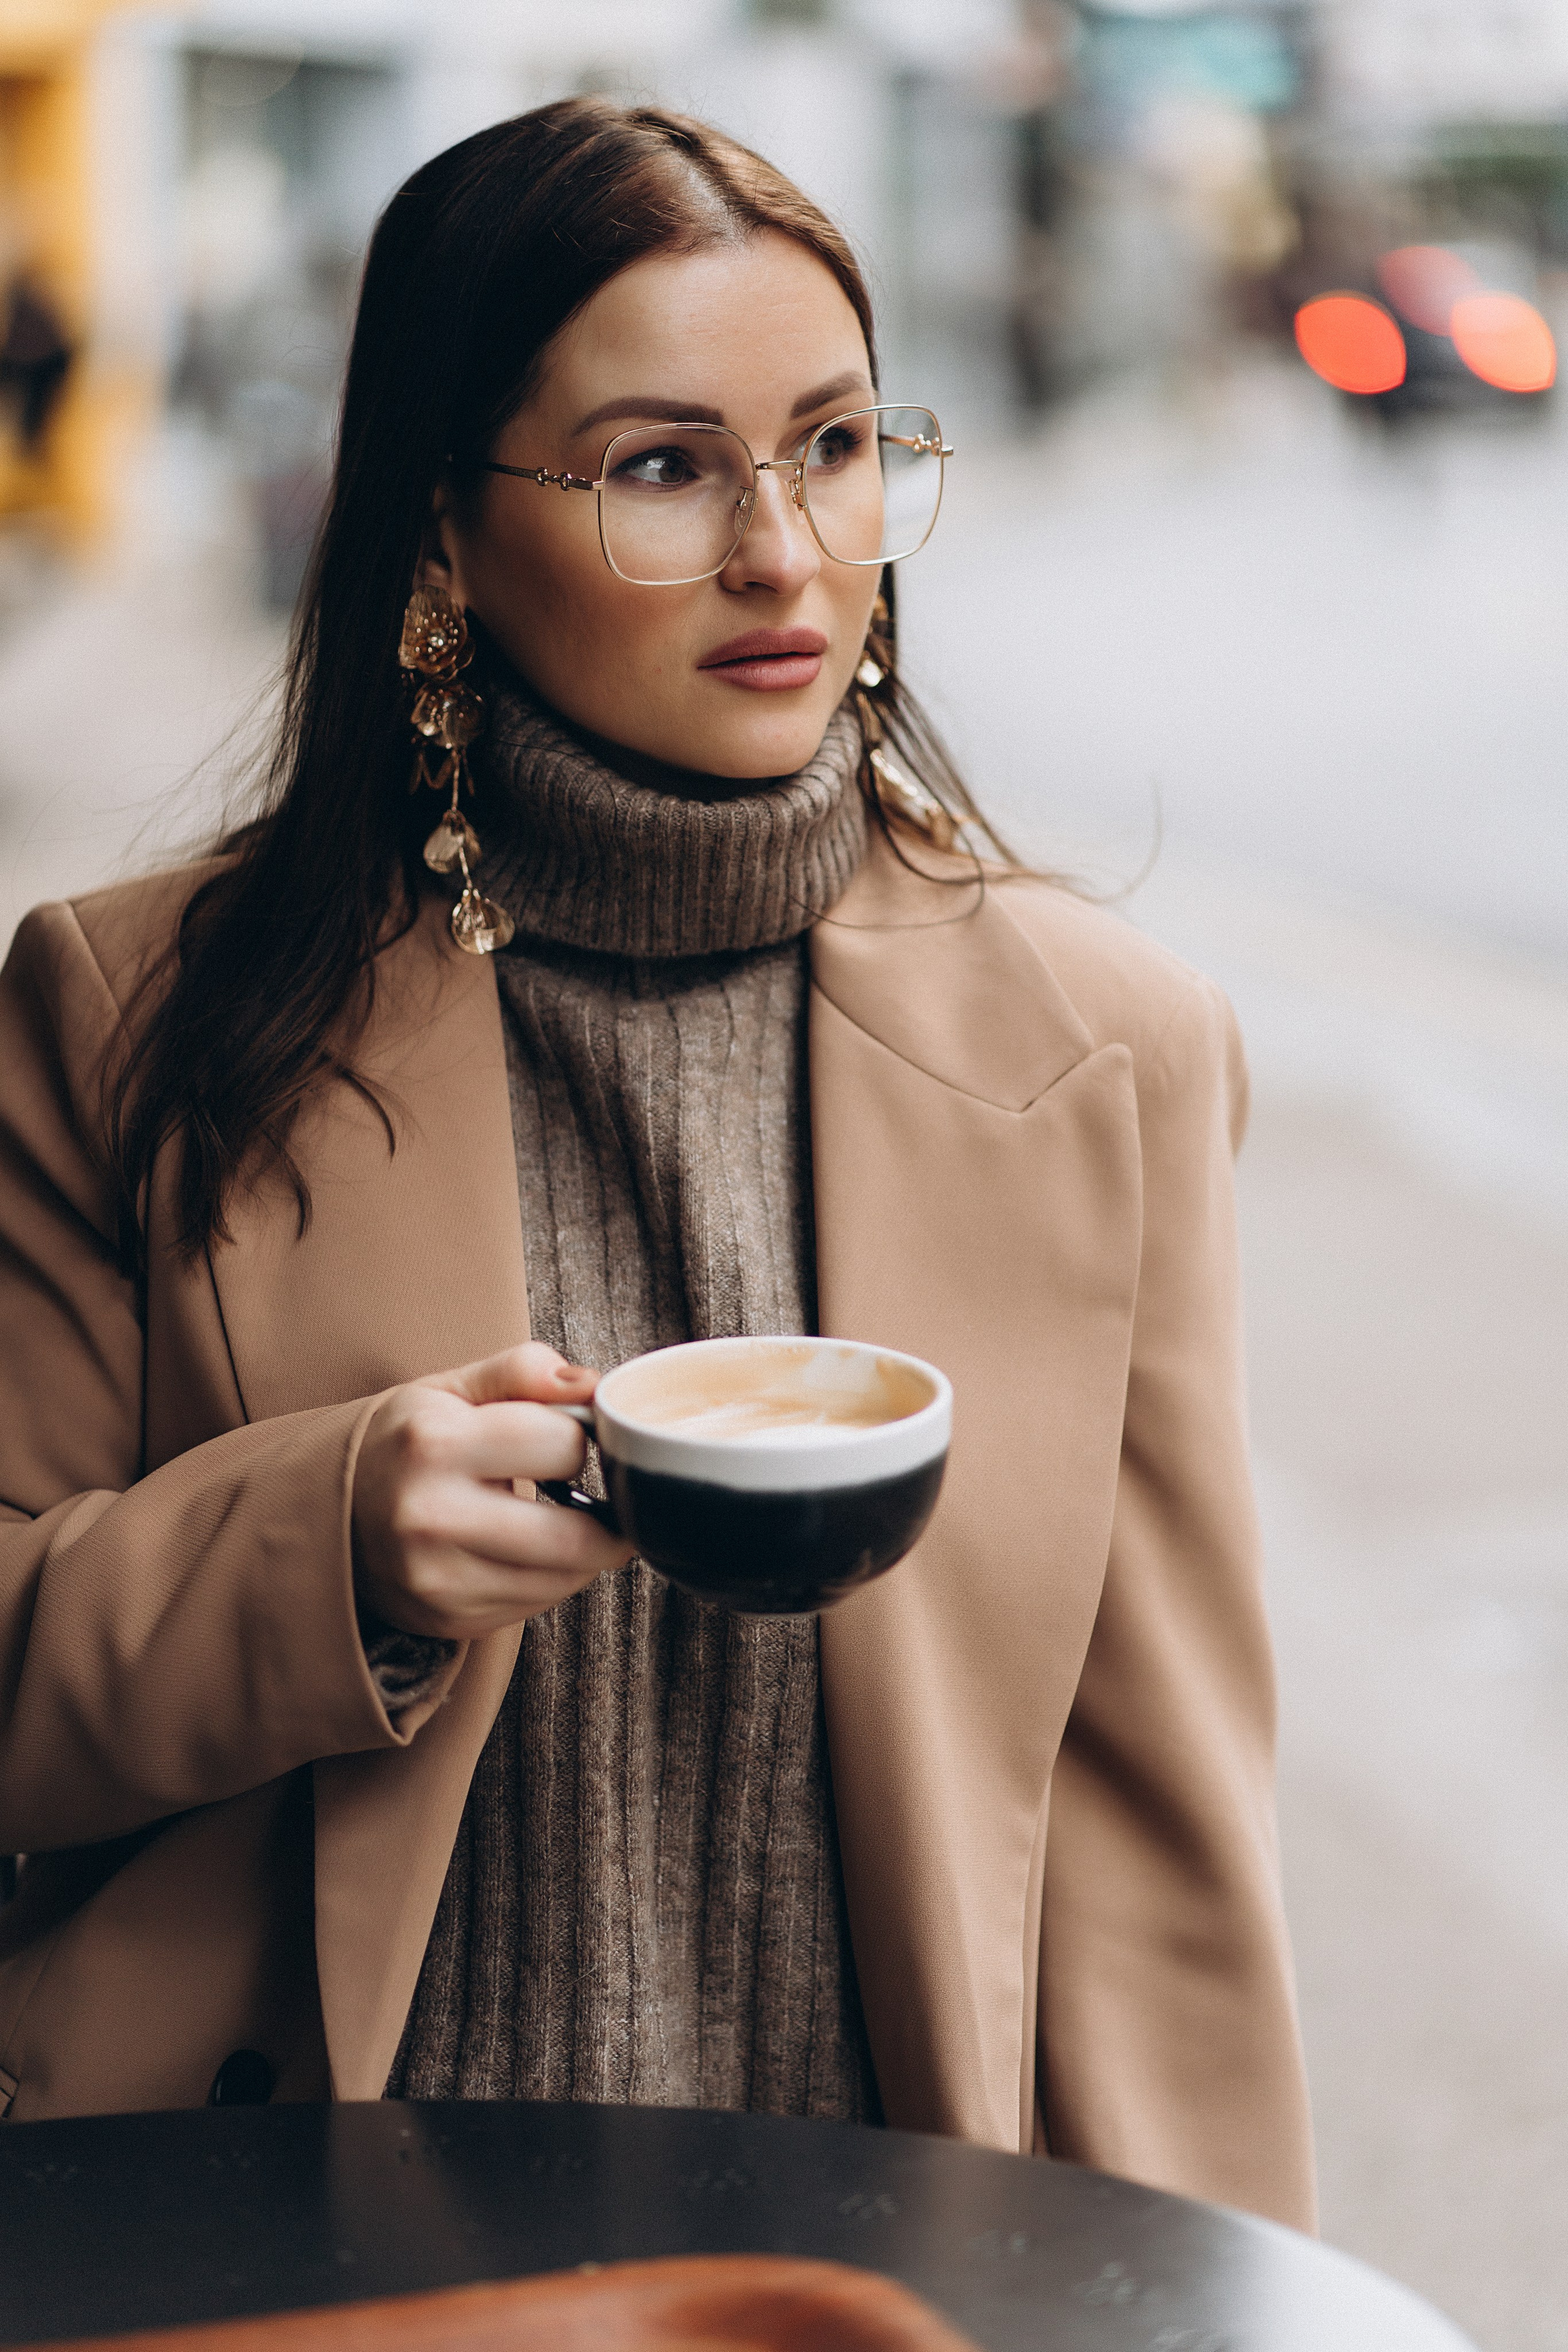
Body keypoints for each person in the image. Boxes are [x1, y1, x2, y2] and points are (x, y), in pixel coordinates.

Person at [0, 100, 1314, 2229]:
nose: (785, 551)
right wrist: (333, 1548)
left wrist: (1206, 2290)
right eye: (662, 468)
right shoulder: (136, 1014)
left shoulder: (1113, 1057)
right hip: (294, 2246)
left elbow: (1159, 1847)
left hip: (870, 2259)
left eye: (836, 444)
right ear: (439, 535)